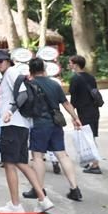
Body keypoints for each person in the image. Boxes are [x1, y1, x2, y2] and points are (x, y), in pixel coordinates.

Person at [0, 49, 53, 213]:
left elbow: (23, 95)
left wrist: (10, 111)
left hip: (12, 125)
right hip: (20, 125)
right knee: (22, 163)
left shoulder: (11, 72)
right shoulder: (10, 74)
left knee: (10, 164)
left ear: (8, 60)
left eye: (0, 60)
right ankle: (42, 199)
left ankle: (16, 204)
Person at [22, 58, 84, 203]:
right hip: (56, 123)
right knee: (62, 155)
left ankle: (38, 189)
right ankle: (75, 189)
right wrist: (75, 118)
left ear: (30, 70)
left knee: (37, 157)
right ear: (44, 69)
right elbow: (66, 103)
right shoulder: (54, 84)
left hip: (39, 124)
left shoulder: (29, 84)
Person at [68, 55, 102, 174]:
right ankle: (91, 161)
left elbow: (73, 100)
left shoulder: (75, 79)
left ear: (76, 64)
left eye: (70, 63)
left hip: (84, 111)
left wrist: (73, 116)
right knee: (90, 136)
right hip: (93, 110)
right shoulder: (91, 77)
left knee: (89, 137)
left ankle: (95, 165)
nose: (69, 65)